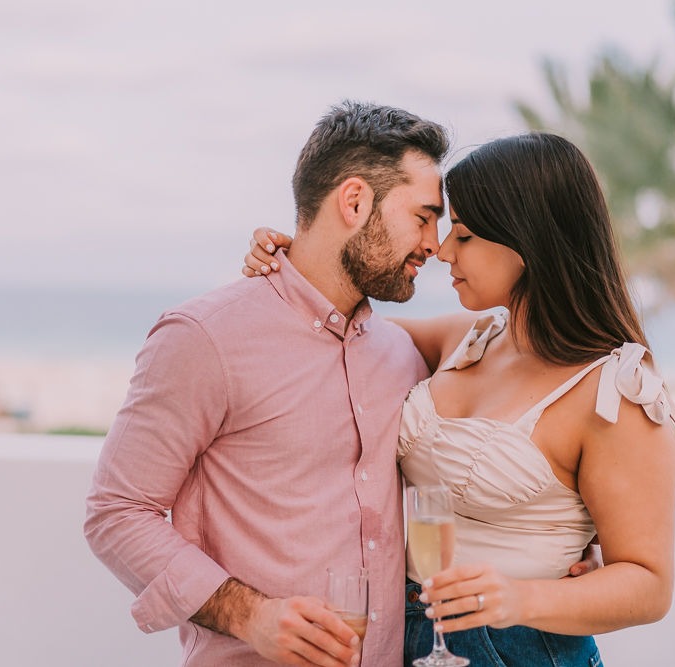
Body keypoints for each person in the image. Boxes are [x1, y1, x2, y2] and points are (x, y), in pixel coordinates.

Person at [242, 132, 675, 667]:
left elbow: (649, 584)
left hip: (519, 648)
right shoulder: (466, 339)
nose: (442, 250)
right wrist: (291, 261)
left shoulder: (616, 392)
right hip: (400, 639)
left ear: (528, 245)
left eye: (466, 234)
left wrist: (520, 596)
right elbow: (332, 332)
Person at [84, 100, 452, 666]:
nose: (434, 244)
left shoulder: (400, 354)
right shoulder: (204, 337)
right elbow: (116, 512)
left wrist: (565, 548)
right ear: (354, 201)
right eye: (423, 217)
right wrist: (249, 615)